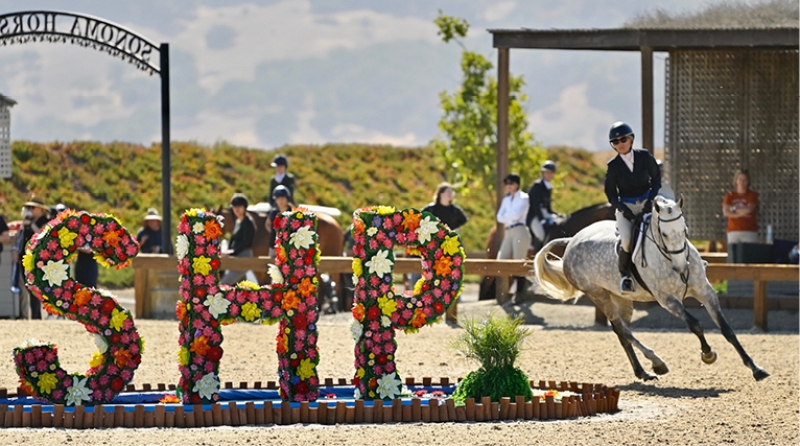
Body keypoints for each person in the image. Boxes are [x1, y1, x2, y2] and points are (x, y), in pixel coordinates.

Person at [604, 121, 661, 294]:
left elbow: (656, 179)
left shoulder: (644, 156)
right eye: (616, 142)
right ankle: (625, 277)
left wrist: (650, 201)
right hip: (626, 205)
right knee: (627, 241)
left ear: (631, 139)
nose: (620, 144)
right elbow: (610, 193)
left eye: (623, 139)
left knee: (667, 229)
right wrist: (623, 209)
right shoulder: (613, 166)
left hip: (647, 201)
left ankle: (680, 264)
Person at [421, 182, 468, 324]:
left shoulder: (455, 210)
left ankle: (454, 295)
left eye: (451, 192)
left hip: (450, 244)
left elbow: (463, 220)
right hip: (435, 244)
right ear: (441, 193)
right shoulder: (432, 208)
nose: (450, 195)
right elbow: (421, 218)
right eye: (448, 192)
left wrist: (452, 230)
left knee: (453, 269)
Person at [12, 196, 51, 319]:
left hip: (37, 259)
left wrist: (32, 224)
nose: (30, 210)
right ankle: (24, 315)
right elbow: (20, 237)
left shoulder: (45, 220)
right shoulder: (27, 221)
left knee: (35, 289)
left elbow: (42, 235)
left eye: (32, 207)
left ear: (40, 209)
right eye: (28, 207)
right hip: (25, 258)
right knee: (24, 288)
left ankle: (36, 316)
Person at [496, 173, 531, 303]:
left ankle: (520, 293)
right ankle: (504, 291)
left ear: (517, 184)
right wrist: (508, 216)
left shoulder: (523, 197)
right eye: (507, 184)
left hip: (520, 229)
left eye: (511, 183)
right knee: (501, 259)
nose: (508, 186)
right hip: (509, 231)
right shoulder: (506, 200)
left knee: (518, 262)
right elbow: (499, 217)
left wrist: (507, 216)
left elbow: (516, 216)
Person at [220, 193, 256, 285]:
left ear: (244, 207)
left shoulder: (248, 222)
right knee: (240, 289)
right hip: (236, 257)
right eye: (234, 206)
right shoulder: (238, 221)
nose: (236, 209)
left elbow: (245, 242)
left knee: (224, 285)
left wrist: (230, 252)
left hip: (243, 257)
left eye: (239, 206)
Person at [526, 160, 560, 251]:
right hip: (534, 216)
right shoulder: (537, 186)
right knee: (541, 235)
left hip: (544, 214)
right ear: (543, 173)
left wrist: (556, 214)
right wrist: (542, 219)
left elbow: (548, 207)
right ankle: (535, 254)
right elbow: (535, 205)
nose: (549, 175)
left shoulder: (549, 187)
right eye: (547, 173)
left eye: (551, 173)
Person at [722, 169, 759, 248]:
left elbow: (749, 209)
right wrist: (740, 214)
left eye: (744, 180)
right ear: (736, 180)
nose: (742, 182)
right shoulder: (730, 195)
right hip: (733, 230)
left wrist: (734, 210)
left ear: (748, 181)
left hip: (749, 231)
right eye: (740, 179)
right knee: (734, 257)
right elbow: (726, 212)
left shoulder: (752, 195)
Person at [266, 185, 294, 257]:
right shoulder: (274, 212)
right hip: (274, 245)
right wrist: (274, 232)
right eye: (278, 199)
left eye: (283, 198)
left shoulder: (292, 212)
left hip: (288, 247)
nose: (280, 201)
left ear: (287, 199)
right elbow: (268, 223)